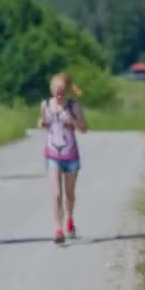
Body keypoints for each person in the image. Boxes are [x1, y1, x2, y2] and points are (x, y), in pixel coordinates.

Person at [37, 73, 87, 244]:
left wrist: (72, 119)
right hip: (52, 155)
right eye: (56, 91)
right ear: (52, 90)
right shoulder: (45, 105)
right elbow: (42, 122)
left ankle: (70, 219)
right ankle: (58, 229)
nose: (59, 94)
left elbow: (84, 128)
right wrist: (42, 123)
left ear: (66, 91)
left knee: (69, 193)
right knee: (57, 194)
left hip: (71, 155)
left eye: (62, 91)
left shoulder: (73, 106)